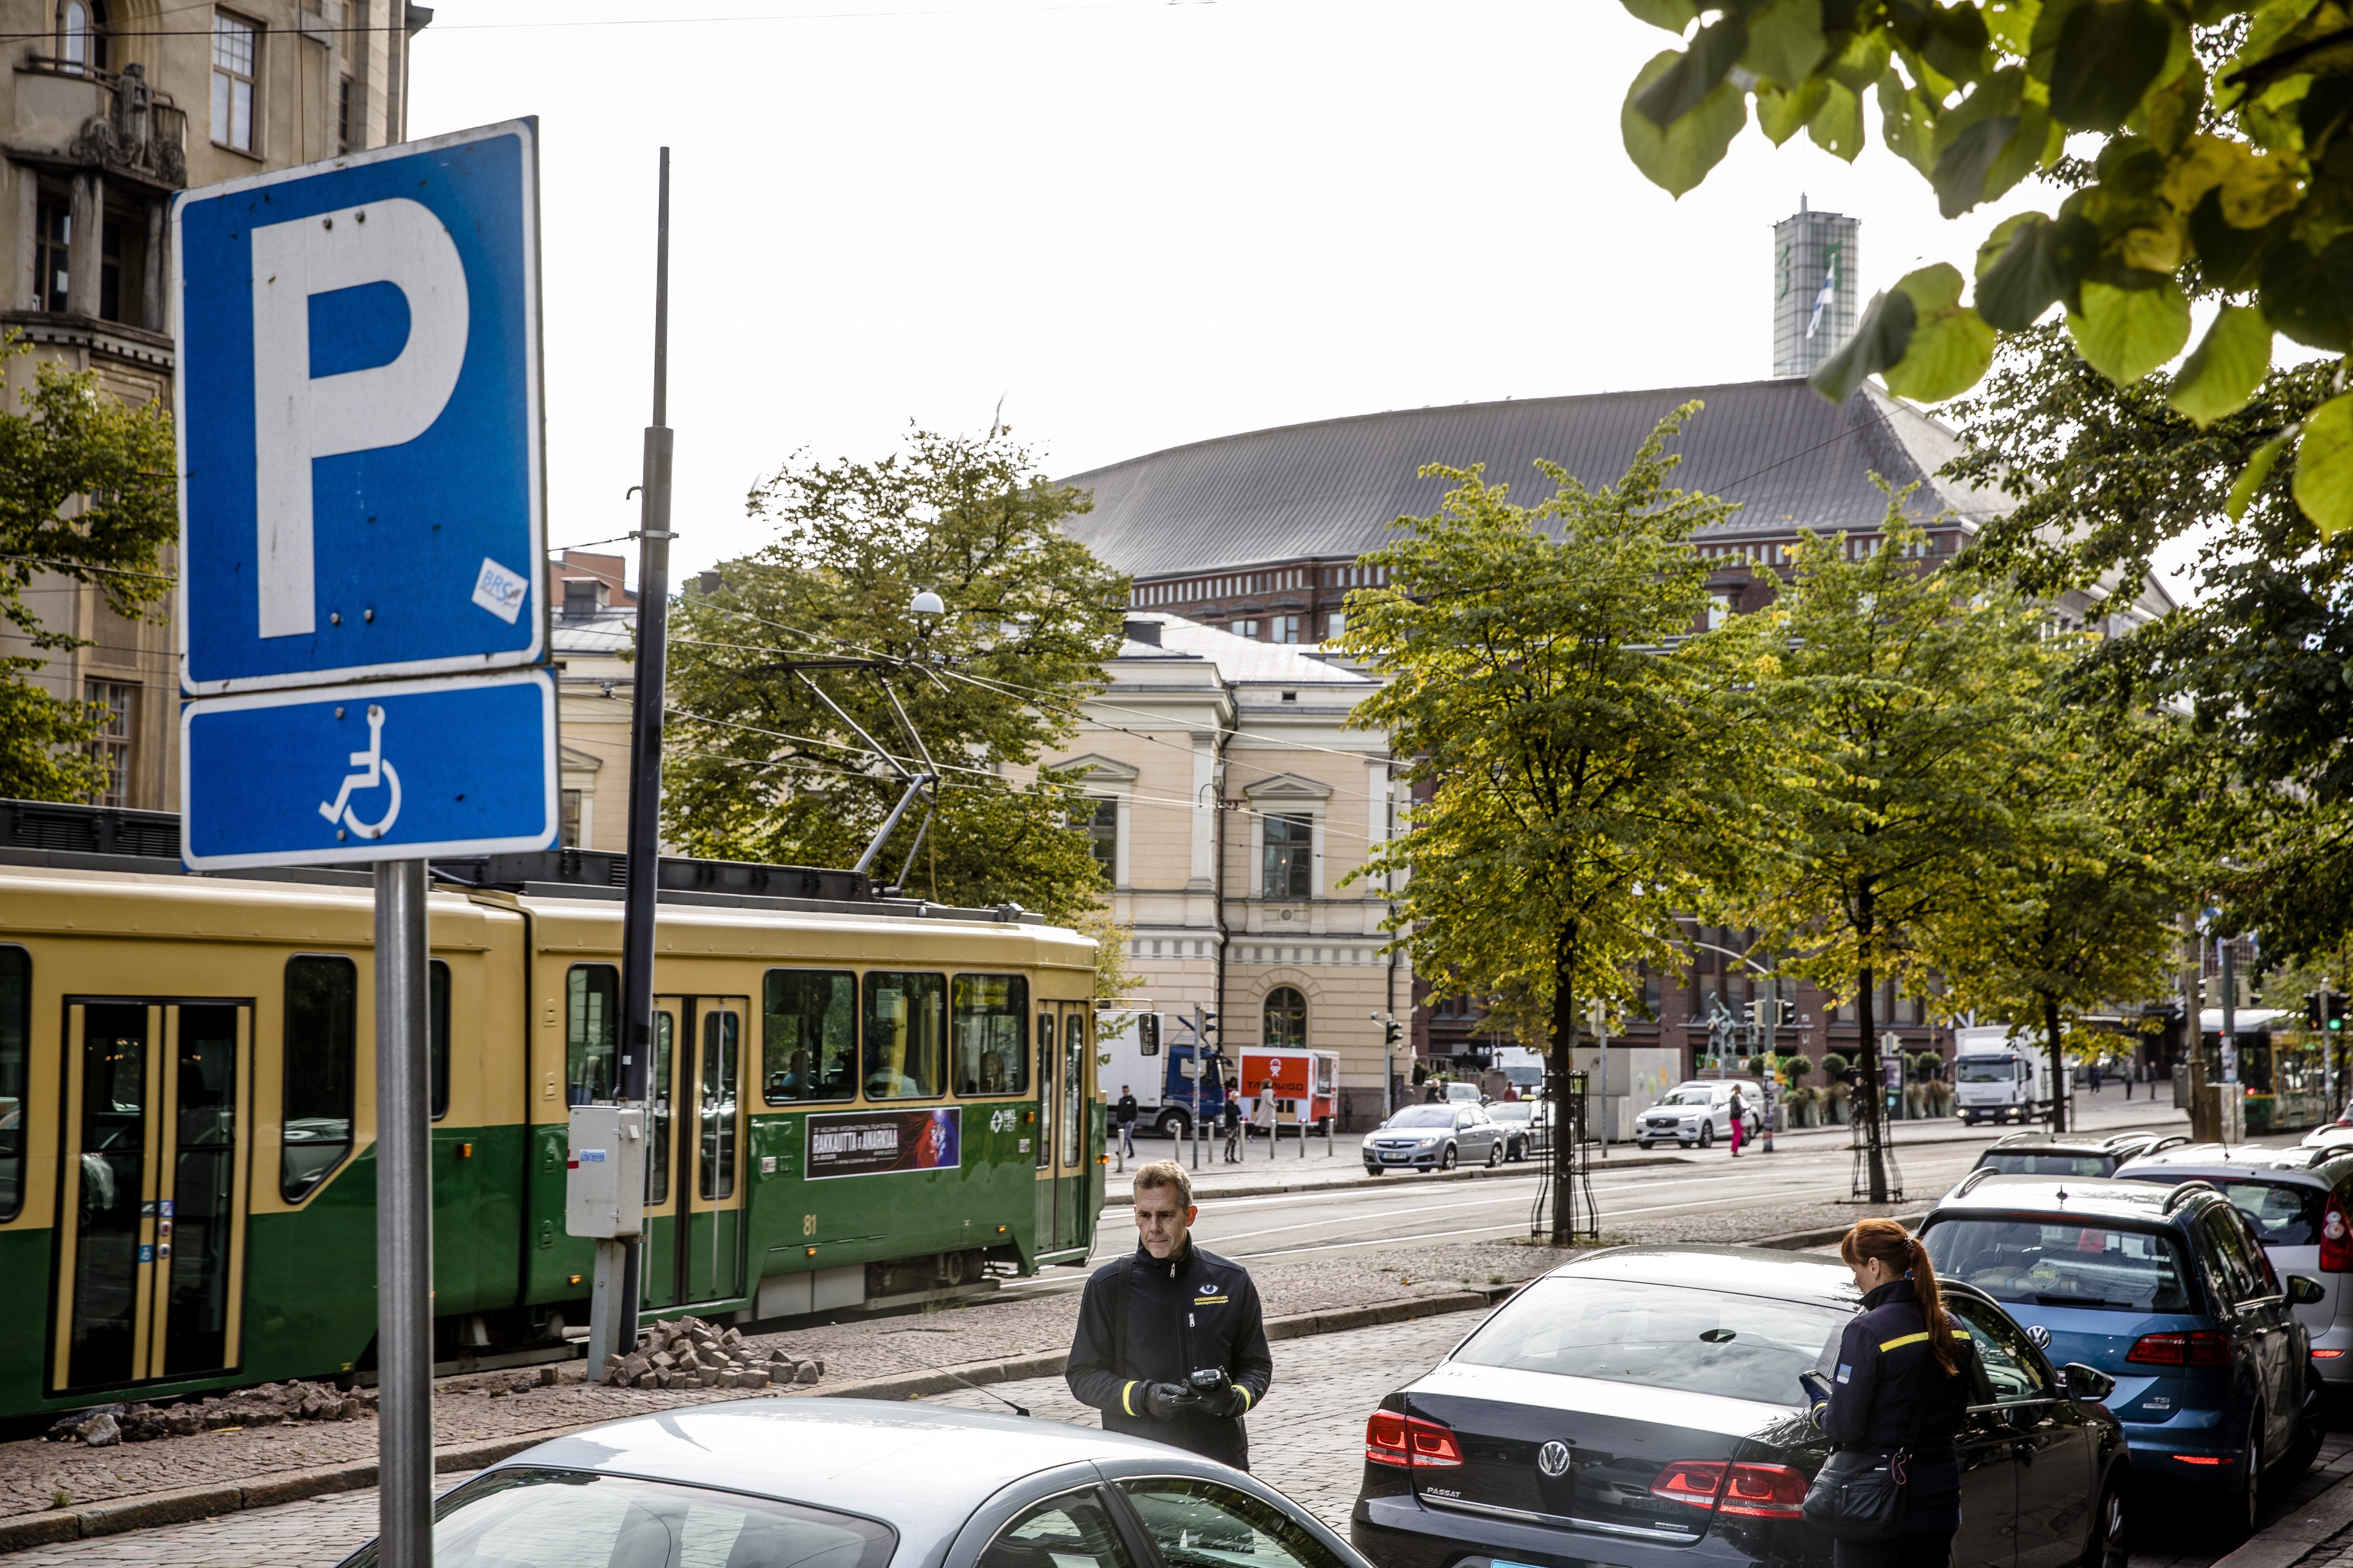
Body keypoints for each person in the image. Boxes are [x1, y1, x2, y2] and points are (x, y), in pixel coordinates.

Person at [1809, 1219, 1994, 1568]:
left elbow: (1846, 1428)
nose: (1855, 1279)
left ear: (1875, 1267)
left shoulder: (1868, 1329)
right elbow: (1954, 1418)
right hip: (1939, 1500)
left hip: (1873, 1500)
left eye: (1855, 1268)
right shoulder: (1953, 1327)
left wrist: (1821, 1409)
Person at [1065, 1160, 1272, 1468]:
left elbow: (1256, 1366)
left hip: (1220, 1465)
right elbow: (1083, 1376)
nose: (1154, 1228)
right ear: (1135, 1215)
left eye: (1165, 1215)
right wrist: (1144, 1397)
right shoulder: (1108, 1285)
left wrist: (1234, 1400)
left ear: (1189, 1216)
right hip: (1141, 1466)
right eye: (1144, 1216)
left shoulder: (1231, 1280)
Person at [1114, 1085, 1138, 1170]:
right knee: (1128, 1137)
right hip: (1121, 1122)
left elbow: (1135, 1111)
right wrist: (1117, 1120)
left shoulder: (1132, 1100)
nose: (1125, 1092)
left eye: (1126, 1091)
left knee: (1126, 1136)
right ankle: (1132, 1152)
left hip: (1129, 1122)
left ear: (1129, 1090)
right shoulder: (1121, 1100)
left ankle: (1121, 1151)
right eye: (1123, 1091)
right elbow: (1118, 1111)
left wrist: (1132, 1121)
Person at [1221, 1095, 1241, 1162]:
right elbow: (1232, 1113)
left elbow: (1239, 1113)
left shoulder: (1235, 1105)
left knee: (1234, 1141)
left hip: (1235, 1125)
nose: (1237, 1099)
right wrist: (1235, 1106)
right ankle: (1226, 1156)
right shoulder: (1228, 1104)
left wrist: (1237, 1106)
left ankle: (1232, 1156)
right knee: (1229, 1141)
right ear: (1233, 1097)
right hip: (1229, 1126)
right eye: (1236, 1098)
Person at [1728, 1085, 1745, 1157]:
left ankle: (1734, 1150)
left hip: (1737, 1118)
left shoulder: (1737, 1098)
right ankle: (1735, 1151)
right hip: (1735, 1118)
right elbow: (1733, 1109)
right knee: (1738, 1134)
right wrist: (1740, 1114)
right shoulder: (1733, 1098)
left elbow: (1740, 1107)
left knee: (1737, 1134)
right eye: (1738, 1090)